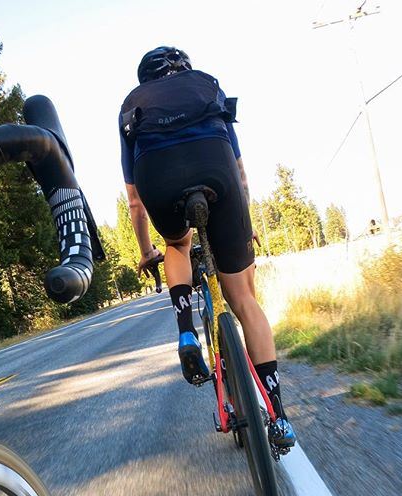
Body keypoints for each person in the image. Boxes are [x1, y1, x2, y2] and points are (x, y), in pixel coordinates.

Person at [118, 46, 295, 448]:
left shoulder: (132, 104)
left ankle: (185, 334)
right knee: (245, 301)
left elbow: (133, 201)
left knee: (177, 244)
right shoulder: (207, 86)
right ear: (186, 69)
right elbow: (241, 175)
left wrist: (148, 251)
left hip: (158, 176)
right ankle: (279, 416)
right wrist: (243, 224)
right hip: (216, 167)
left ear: (146, 79)